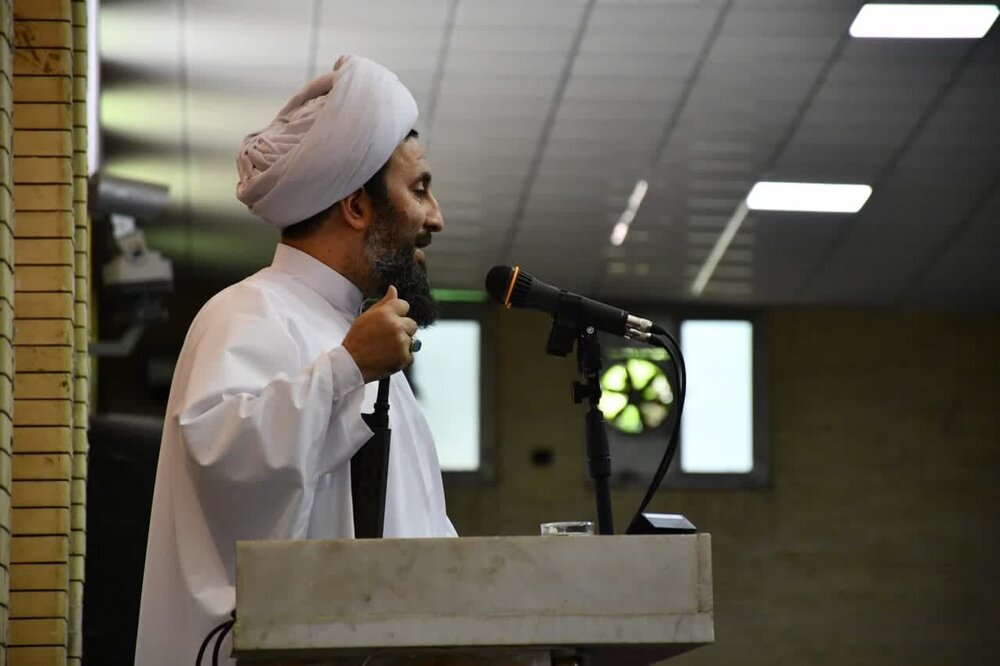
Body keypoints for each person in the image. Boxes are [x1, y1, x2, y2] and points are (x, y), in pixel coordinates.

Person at [135, 55, 456, 666]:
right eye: (419, 190)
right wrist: (344, 369)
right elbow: (224, 466)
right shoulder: (246, 312)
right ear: (356, 207)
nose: (435, 217)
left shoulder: (359, 342)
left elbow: (419, 532)